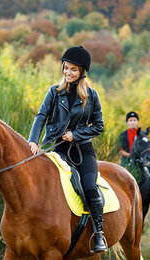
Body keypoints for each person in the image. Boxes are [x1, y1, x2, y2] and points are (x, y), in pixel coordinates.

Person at [28, 46, 107, 253]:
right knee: (31, 184)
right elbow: (41, 116)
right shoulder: (54, 92)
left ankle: (99, 233)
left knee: (89, 187)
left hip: (81, 152)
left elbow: (99, 126)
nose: (68, 73)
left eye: (73, 69)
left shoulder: (91, 95)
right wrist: (33, 141)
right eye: (66, 68)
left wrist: (76, 135)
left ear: (82, 72)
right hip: (54, 148)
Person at [119, 112, 150, 205]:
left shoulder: (142, 134)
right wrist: (130, 155)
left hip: (141, 162)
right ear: (127, 122)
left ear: (137, 122)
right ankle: (118, 195)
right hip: (127, 162)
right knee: (119, 176)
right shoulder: (123, 135)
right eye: (130, 120)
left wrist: (149, 156)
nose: (132, 122)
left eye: (134, 120)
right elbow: (120, 151)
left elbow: (147, 148)